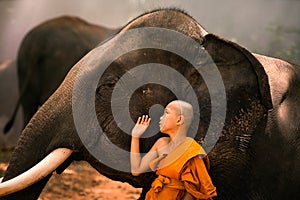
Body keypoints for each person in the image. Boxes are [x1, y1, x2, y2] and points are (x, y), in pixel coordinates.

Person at [130, 100, 217, 200]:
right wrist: (135, 136)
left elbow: (193, 190)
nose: (161, 118)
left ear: (179, 120)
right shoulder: (161, 143)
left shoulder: (192, 151)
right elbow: (136, 170)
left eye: (166, 113)